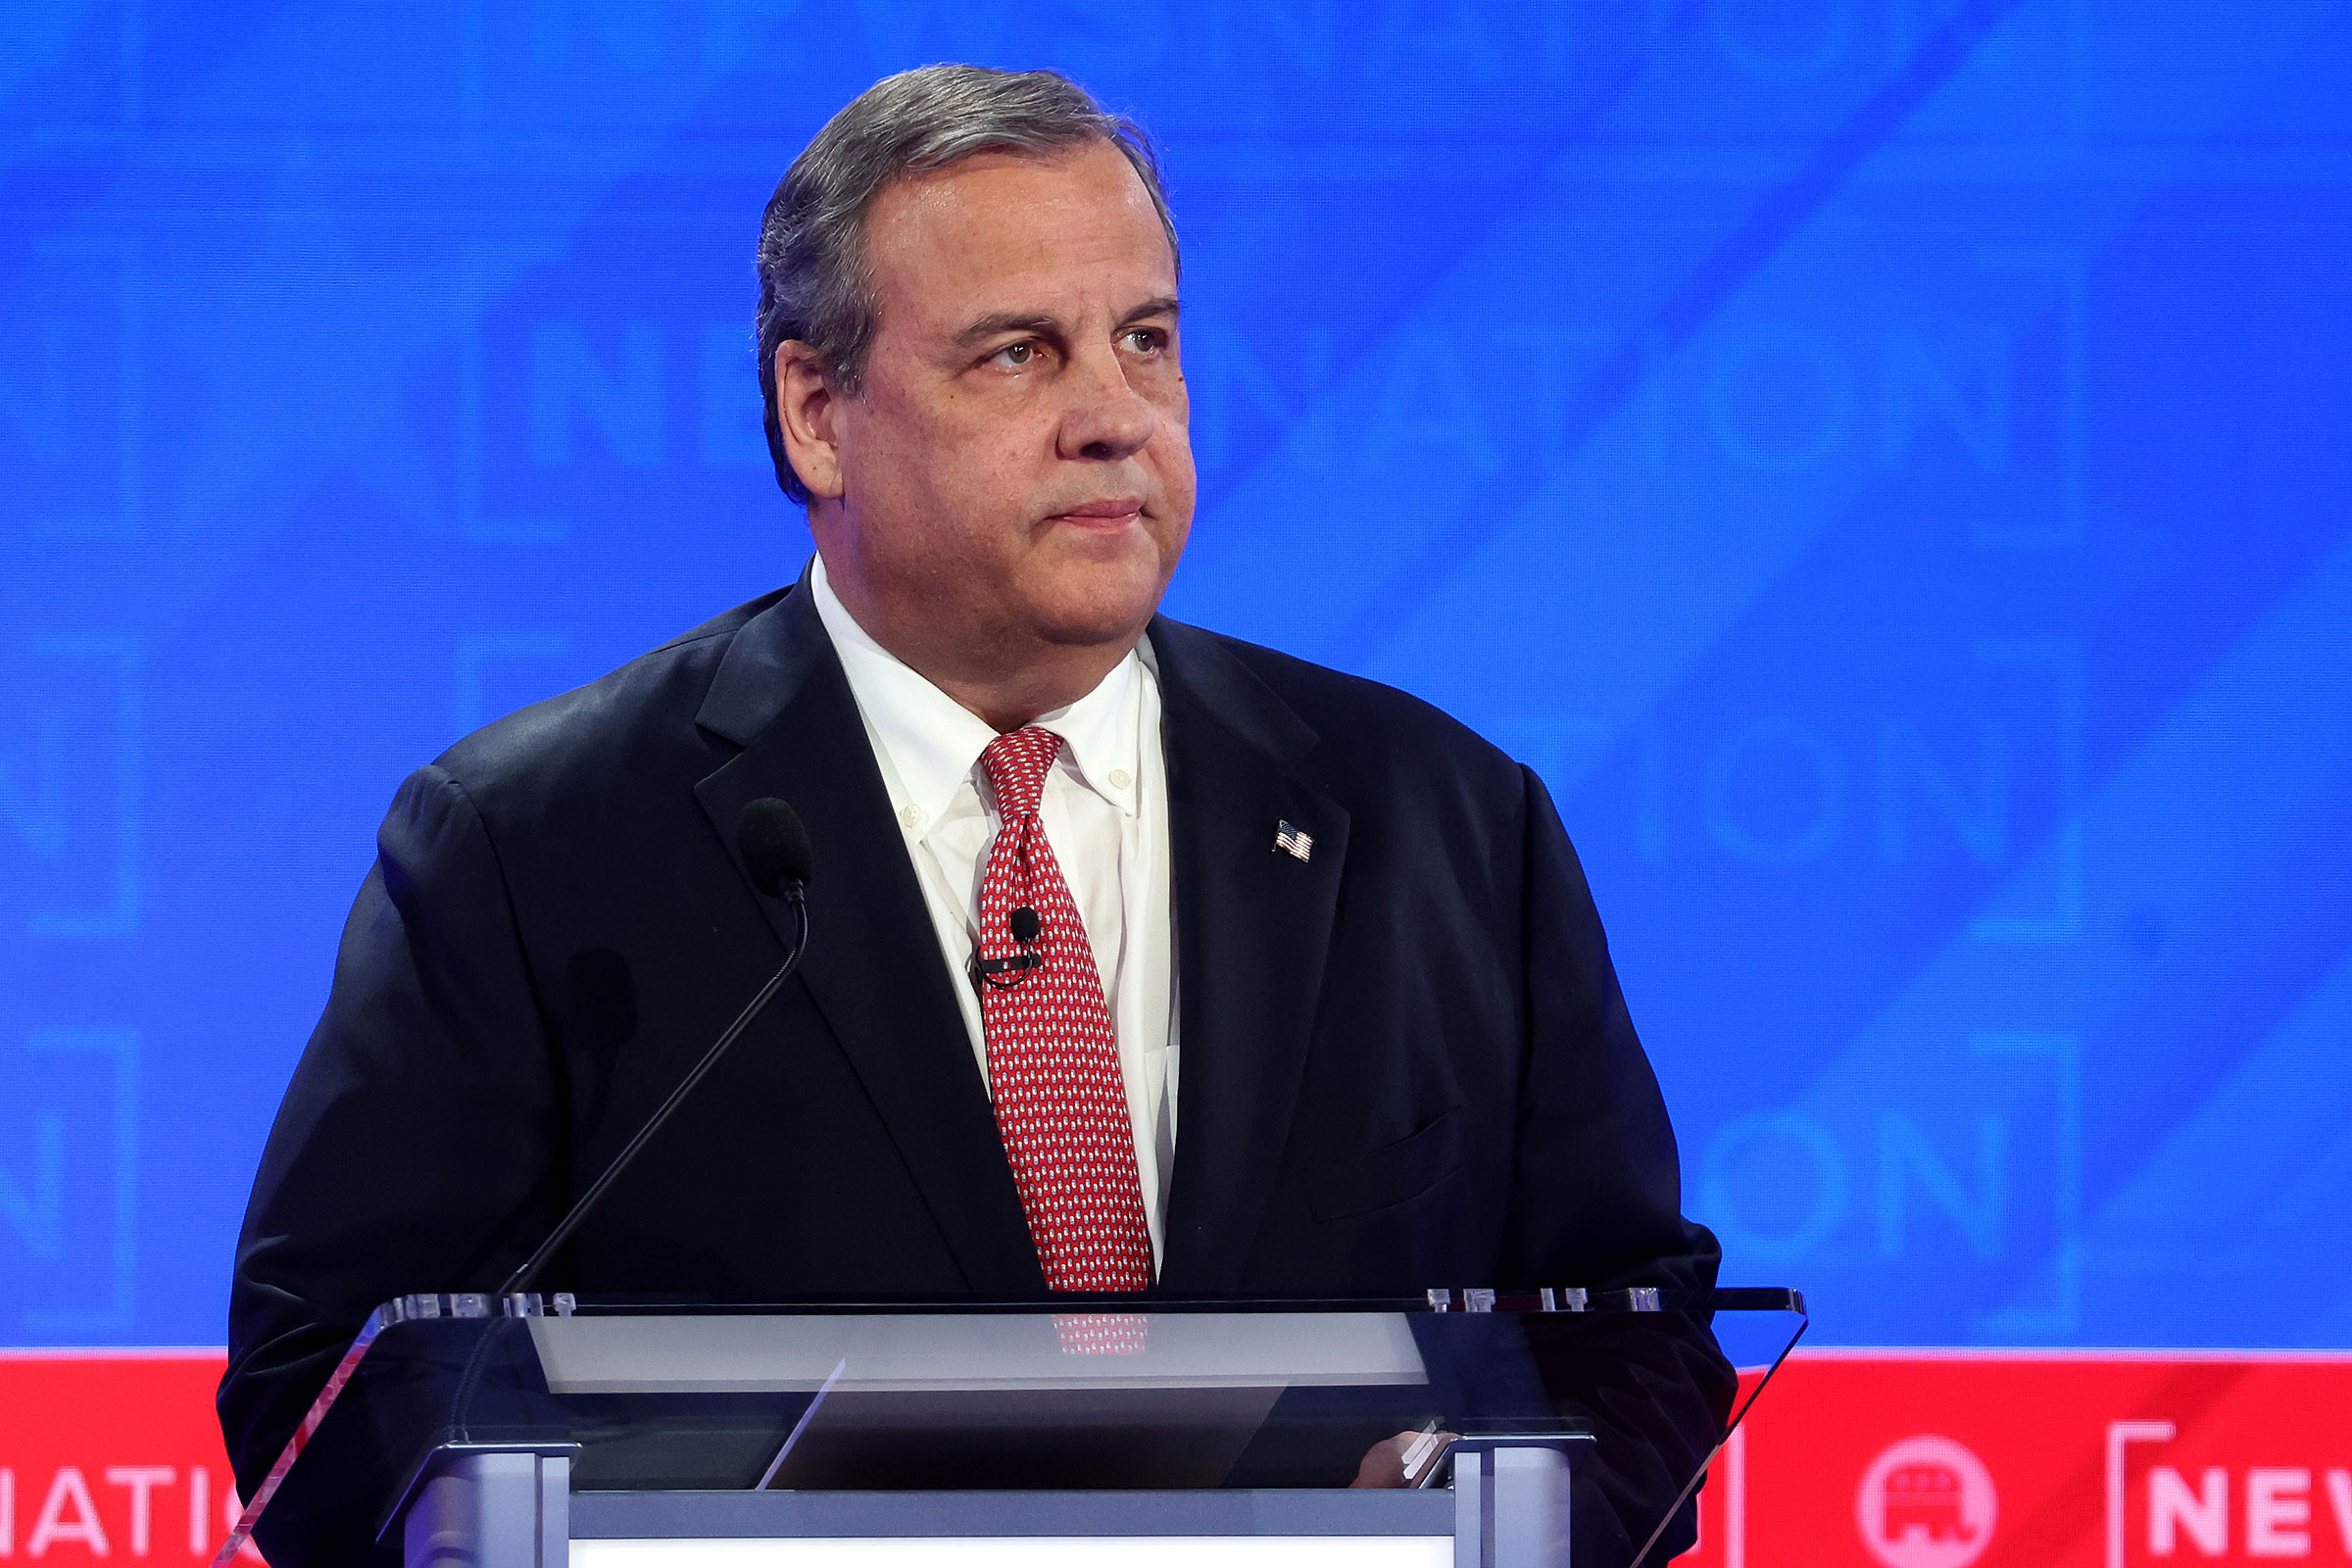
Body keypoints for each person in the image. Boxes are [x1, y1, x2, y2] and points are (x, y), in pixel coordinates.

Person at [220, 65, 1732, 1566]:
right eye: (1019, 355)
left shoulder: (1445, 821)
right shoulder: (534, 849)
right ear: (818, 414)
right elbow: (328, 1404)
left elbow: (1633, 1333)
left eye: (1146, 341)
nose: (1113, 417)